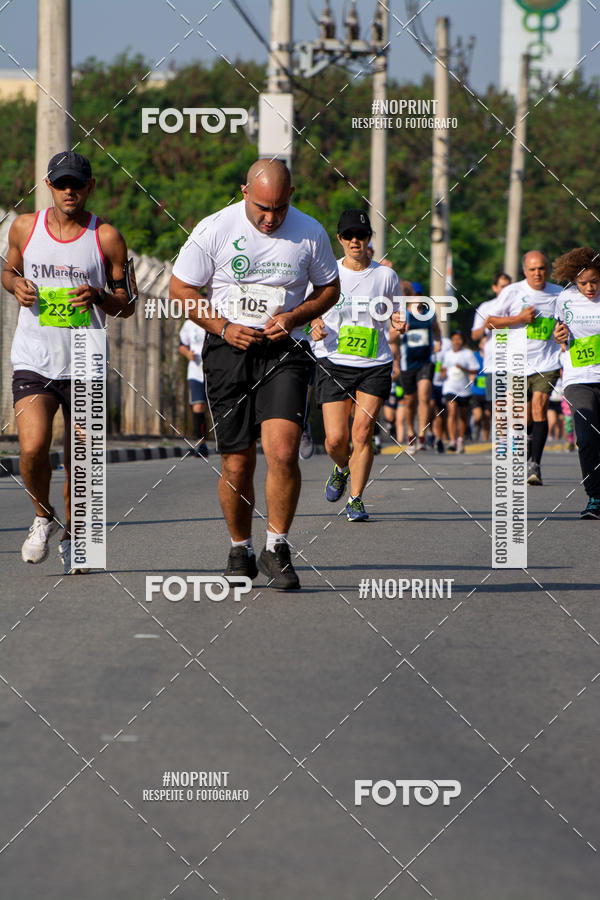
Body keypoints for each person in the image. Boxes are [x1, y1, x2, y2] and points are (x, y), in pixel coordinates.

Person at [169, 159, 339, 589]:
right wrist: (222, 327)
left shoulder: (310, 232)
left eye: (279, 208)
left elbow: (329, 288)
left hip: (285, 349)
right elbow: (181, 289)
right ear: (245, 192)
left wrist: (295, 316)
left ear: (291, 197)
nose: (270, 218)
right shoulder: (214, 229)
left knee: (282, 451)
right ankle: (240, 548)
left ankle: (277, 547)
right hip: (229, 350)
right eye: (262, 207)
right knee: (237, 462)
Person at [2, 151, 135, 574]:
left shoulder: (106, 237)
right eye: (61, 183)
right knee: (32, 448)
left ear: (90, 187)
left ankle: (76, 536)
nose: (69, 191)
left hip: (85, 359)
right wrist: (16, 285)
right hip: (35, 358)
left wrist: (99, 295)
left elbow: (128, 303)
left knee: (81, 462)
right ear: (49, 186)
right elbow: (7, 271)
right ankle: (43, 516)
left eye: (77, 183)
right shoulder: (25, 227)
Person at [309, 209, 405, 521]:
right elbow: (310, 309)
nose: (355, 241)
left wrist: (399, 321)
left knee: (362, 432)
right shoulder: (327, 274)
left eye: (361, 235)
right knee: (335, 440)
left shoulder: (386, 276)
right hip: (334, 361)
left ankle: (356, 499)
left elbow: (397, 311)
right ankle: (341, 467)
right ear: (339, 239)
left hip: (374, 363)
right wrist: (315, 323)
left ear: (368, 239)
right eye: (349, 235)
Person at [486, 252, 561, 486]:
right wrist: (518, 318)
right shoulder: (512, 292)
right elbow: (490, 322)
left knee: (540, 407)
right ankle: (528, 445)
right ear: (524, 271)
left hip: (547, 362)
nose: (537, 273)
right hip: (516, 363)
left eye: (541, 268)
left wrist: (562, 333)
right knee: (522, 416)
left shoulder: (559, 294)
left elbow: (566, 323)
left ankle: (535, 464)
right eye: (532, 269)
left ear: (548, 269)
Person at [552, 246, 600, 518]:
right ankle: (595, 496)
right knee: (586, 438)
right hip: (578, 377)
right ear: (574, 280)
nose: (590, 288)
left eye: (594, 282)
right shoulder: (565, 298)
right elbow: (559, 332)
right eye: (583, 283)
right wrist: (559, 336)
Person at [389, 287, 441, 454]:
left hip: (426, 362)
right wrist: (400, 329)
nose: (417, 299)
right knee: (409, 401)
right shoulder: (403, 315)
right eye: (414, 296)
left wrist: (438, 341)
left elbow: (436, 329)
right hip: (407, 364)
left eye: (420, 296)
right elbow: (390, 337)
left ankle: (422, 435)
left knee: (424, 396)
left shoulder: (429, 314)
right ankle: (411, 433)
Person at [471, 271, 512, 405]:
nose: (506, 290)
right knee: (498, 409)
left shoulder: (517, 306)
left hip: (515, 364)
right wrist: (487, 323)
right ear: (494, 288)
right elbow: (475, 335)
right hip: (493, 364)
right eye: (502, 287)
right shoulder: (486, 307)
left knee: (514, 407)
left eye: (508, 286)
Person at [440, 331, 479, 453]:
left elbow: (475, 370)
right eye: (454, 339)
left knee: (463, 415)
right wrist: (442, 372)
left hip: (464, 389)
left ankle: (460, 439)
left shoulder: (468, 354)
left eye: (459, 339)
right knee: (451, 412)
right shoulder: (447, 354)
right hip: (450, 387)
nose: (456, 342)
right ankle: (452, 440)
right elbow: (443, 372)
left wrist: (464, 369)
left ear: (463, 341)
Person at [178, 318, 209, 457]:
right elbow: (182, 345)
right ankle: (202, 444)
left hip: (215, 372)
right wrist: (187, 353)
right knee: (198, 406)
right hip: (196, 372)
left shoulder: (216, 319)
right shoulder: (189, 324)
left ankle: (225, 441)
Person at [470, 336, 491, 442]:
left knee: (487, 417)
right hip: (476, 392)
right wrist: (470, 376)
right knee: (478, 416)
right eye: (483, 343)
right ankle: (476, 428)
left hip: (488, 392)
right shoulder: (475, 356)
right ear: (480, 345)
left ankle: (486, 441)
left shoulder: (493, 357)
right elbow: (469, 368)